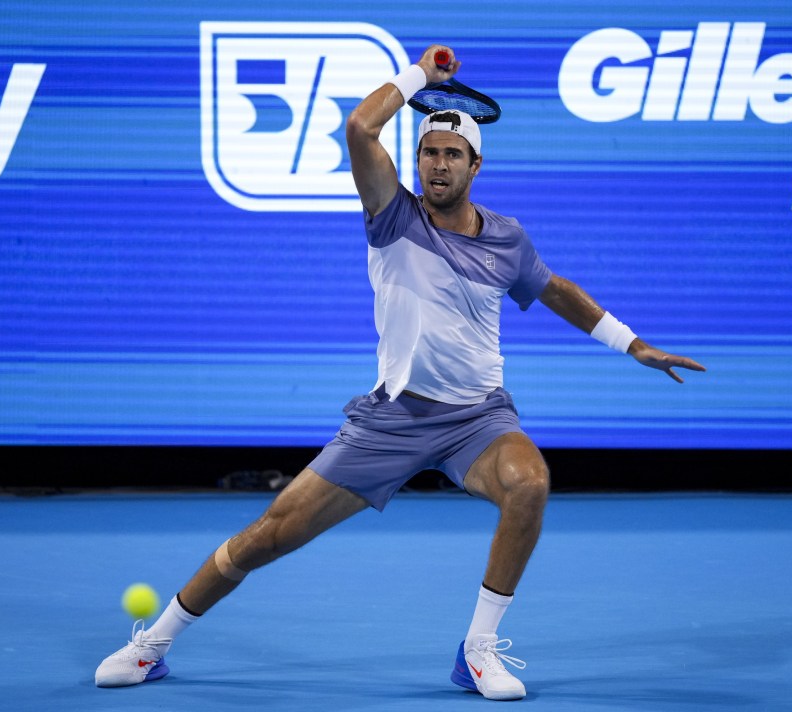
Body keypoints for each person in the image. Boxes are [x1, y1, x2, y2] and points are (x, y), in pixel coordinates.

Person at [94, 44, 706, 701]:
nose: (436, 165)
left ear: (476, 164)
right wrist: (421, 75)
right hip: (393, 420)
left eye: (451, 154)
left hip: (479, 419)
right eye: (427, 153)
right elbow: (360, 128)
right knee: (269, 536)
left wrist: (629, 343)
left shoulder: (507, 239)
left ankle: (476, 651)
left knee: (530, 482)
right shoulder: (394, 215)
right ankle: (152, 644)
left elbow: (553, 288)